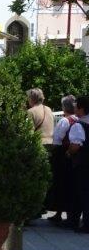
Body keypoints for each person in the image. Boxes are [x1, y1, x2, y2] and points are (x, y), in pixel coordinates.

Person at [47, 95, 78, 226]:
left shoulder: (64, 121)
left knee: (59, 183)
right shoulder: (77, 119)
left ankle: (59, 212)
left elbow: (57, 139)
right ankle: (67, 212)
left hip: (62, 155)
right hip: (74, 155)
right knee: (70, 184)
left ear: (64, 107)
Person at [65, 95, 89, 233]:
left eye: (76, 106)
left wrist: (68, 152)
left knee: (82, 193)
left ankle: (82, 223)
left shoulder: (79, 126)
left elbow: (75, 146)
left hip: (82, 164)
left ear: (81, 109)